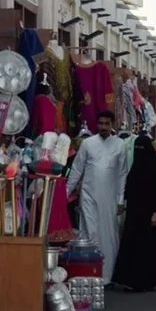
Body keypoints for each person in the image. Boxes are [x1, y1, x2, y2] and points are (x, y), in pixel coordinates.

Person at [66, 110, 130, 282]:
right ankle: (89, 274)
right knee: (89, 233)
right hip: (89, 197)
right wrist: (64, 194)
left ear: (112, 125)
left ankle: (108, 276)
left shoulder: (120, 145)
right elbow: (77, 170)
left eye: (106, 124)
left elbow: (122, 174)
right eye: (100, 123)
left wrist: (120, 199)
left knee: (109, 236)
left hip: (110, 199)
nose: (103, 127)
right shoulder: (87, 144)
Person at [114, 134, 156, 291]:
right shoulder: (135, 169)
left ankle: (152, 280)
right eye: (137, 149)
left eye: (142, 148)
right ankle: (132, 280)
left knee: (151, 247)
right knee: (134, 246)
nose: (139, 151)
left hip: (151, 216)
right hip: (135, 215)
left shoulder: (155, 170)